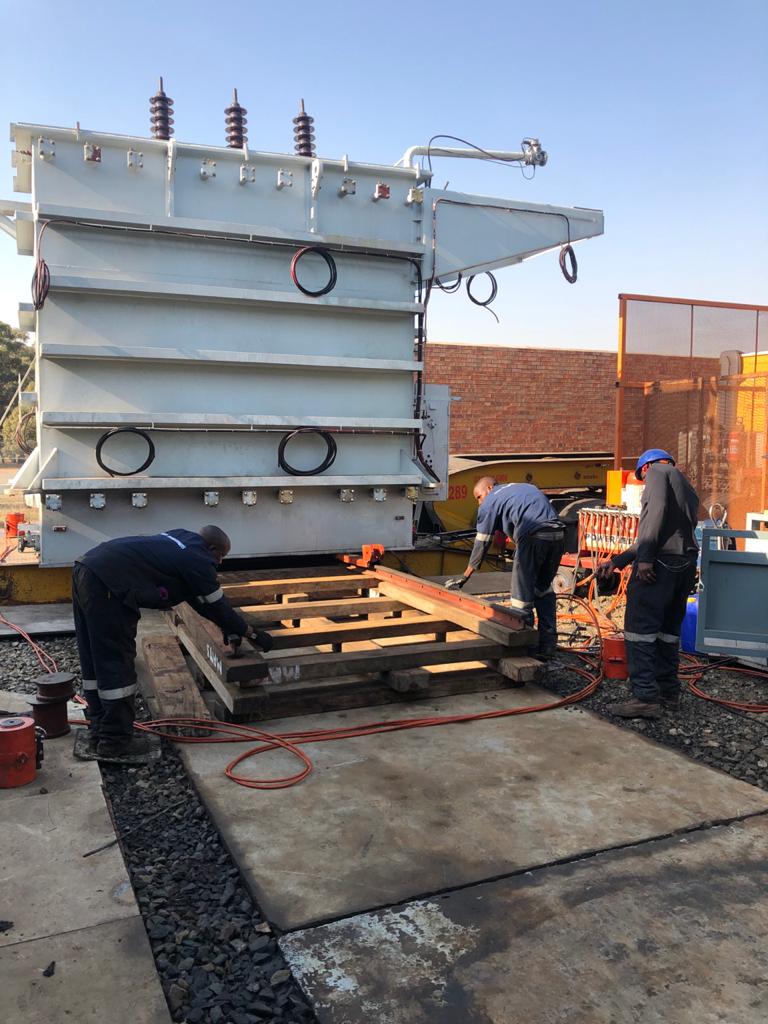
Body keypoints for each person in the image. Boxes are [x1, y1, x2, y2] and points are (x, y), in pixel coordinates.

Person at [72, 525, 272, 760]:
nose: (220, 562)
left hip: (86, 568)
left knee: (93, 655)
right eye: (221, 556)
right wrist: (251, 633)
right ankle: (115, 742)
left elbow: (198, 599)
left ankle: (99, 731)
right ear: (211, 548)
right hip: (108, 585)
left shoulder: (180, 539)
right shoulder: (198, 560)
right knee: (115, 662)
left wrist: (228, 627)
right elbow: (217, 605)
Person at [597, 449, 699, 719]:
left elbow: (655, 512)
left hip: (659, 565)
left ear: (646, 467)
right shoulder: (684, 484)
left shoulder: (656, 472)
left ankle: (645, 698)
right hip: (684, 564)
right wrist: (617, 561)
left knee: (639, 630)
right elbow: (662, 531)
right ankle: (668, 692)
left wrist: (644, 560)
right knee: (668, 632)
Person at [444, 477, 565, 658]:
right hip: (558, 535)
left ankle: (525, 649)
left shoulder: (490, 500)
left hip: (532, 537)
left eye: (478, 497)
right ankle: (548, 647)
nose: (479, 503)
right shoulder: (522, 488)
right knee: (543, 589)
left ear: (489, 488)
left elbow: (482, 542)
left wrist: (465, 575)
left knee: (521, 598)